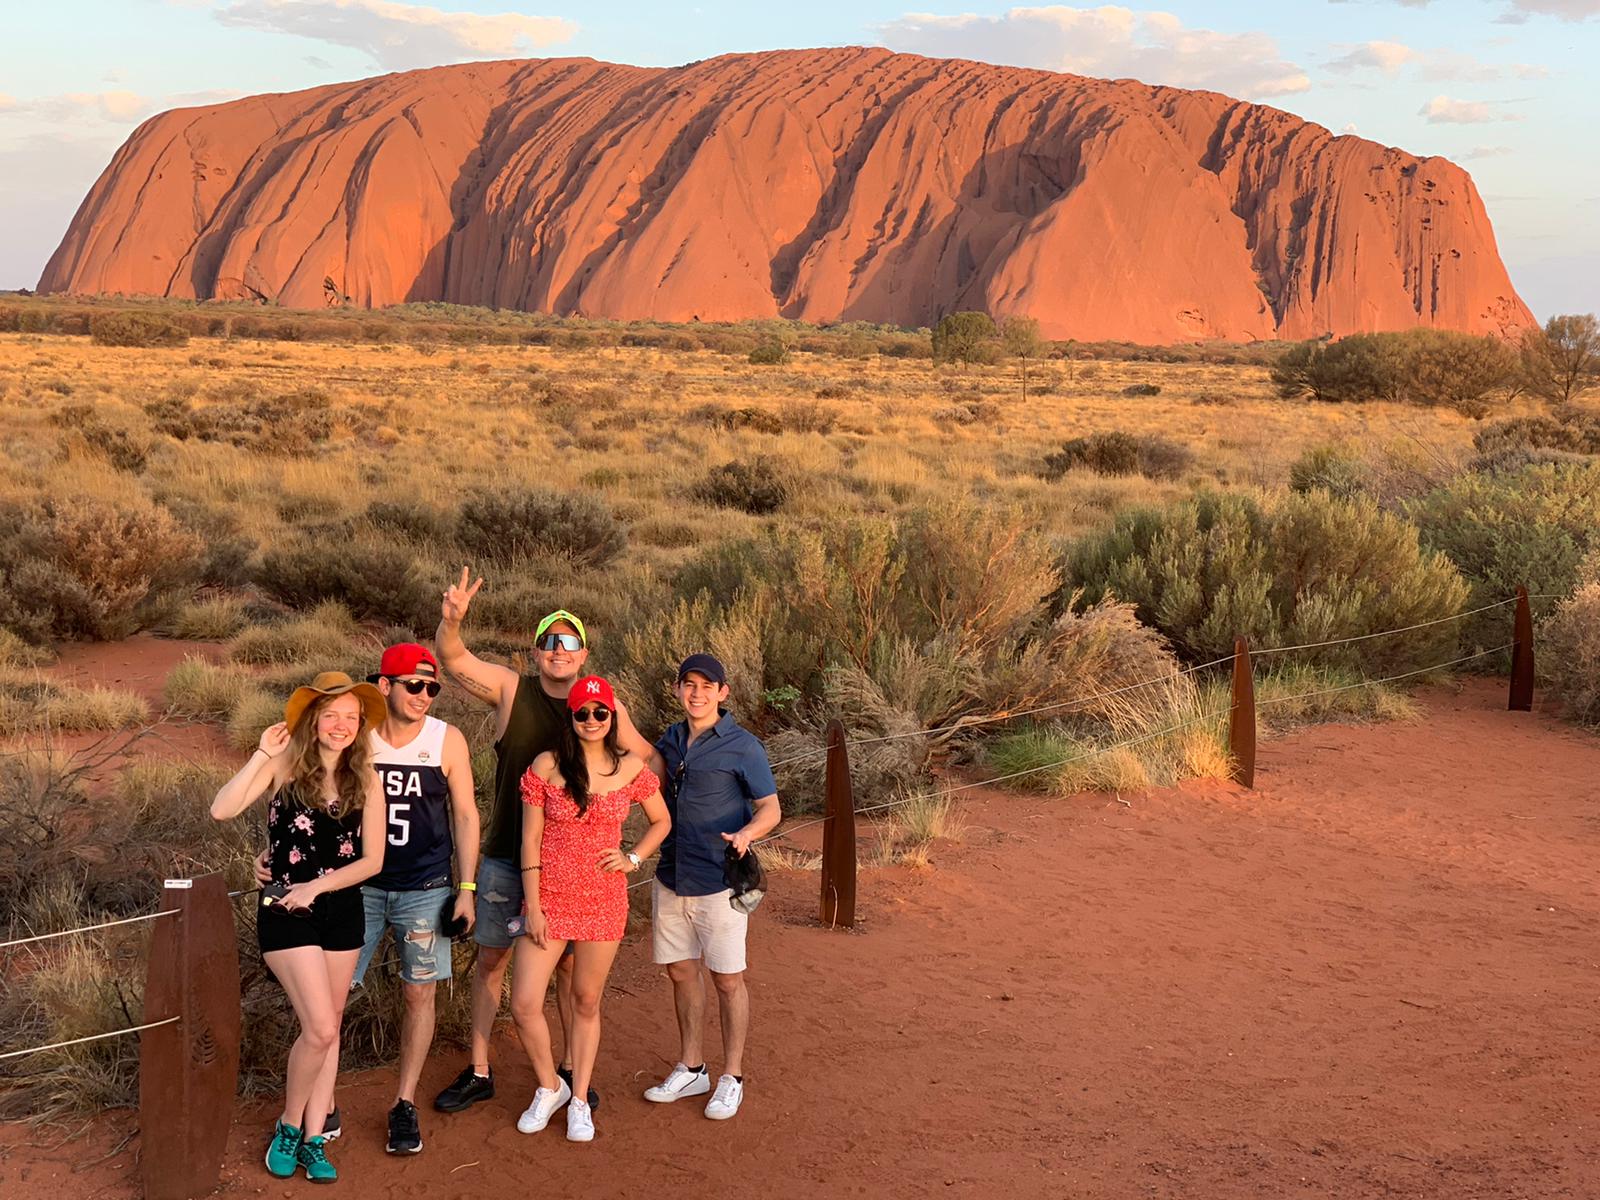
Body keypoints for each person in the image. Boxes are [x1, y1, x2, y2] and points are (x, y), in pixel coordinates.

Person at [432, 569, 653, 1114]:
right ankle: (480, 1068)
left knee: (572, 972)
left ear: (583, 653)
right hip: (511, 856)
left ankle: (570, 1071)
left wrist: (632, 844)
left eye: (569, 641)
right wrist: (451, 621)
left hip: (576, 871)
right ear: (535, 652)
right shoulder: (513, 689)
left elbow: (641, 760)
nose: (559, 650)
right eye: (549, 642)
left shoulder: (602, 705)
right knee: (491, 961)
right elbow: (455, 660)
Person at [254, 643, 480, 1154]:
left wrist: (466, 888)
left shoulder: (447, 740)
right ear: (385, 685)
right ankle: (318, 1108)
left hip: (424, 886)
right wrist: (268, 855)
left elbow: (465, 815)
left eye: (431, 687)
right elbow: (299, 805)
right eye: (413, 684)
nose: (423, 695)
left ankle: (403, 1102)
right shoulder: (354, 734)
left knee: (419, 991)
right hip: (355, 889)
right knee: (329, 1005)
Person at [211, 672, 386, 1184]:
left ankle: (314, 1139)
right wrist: (262, 755)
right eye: (331, 714)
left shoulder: (365, 778)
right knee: (323, 1027)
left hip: (342, 910)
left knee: (326, 1028)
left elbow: (373, 859)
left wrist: (321, 885)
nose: (341, 725)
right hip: (287, 908)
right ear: (312, 718)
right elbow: (221, 809)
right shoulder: (285, 766)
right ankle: (289, 1126)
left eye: (351, 717)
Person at [509, 675, 671, 1142]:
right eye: (583, 713)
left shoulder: (630, 767)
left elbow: (661, 821)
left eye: (601, 712)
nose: (593, 720)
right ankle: (549, 1086)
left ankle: (579, 1097)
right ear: (572, 717)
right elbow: (530, 839)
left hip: (603, 899)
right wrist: (533, 906)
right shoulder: (546, 766)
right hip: (551, 899)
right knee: (523, 1003)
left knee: (585, 1000)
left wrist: (632, 857)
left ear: (612, 716)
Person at [643, 654, 781, 1121]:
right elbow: (645, 769)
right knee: (681, 974)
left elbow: (770, 808)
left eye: (707, 685)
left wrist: (747, 833)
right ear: (679, 689)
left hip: (719, 881)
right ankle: (693, 1066)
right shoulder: (672, 740)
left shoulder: (743, 746)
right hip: (671, 877)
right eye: (689, 684)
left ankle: (732, 1076)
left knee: (727, 980)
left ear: (723, 692)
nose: (697, 693)